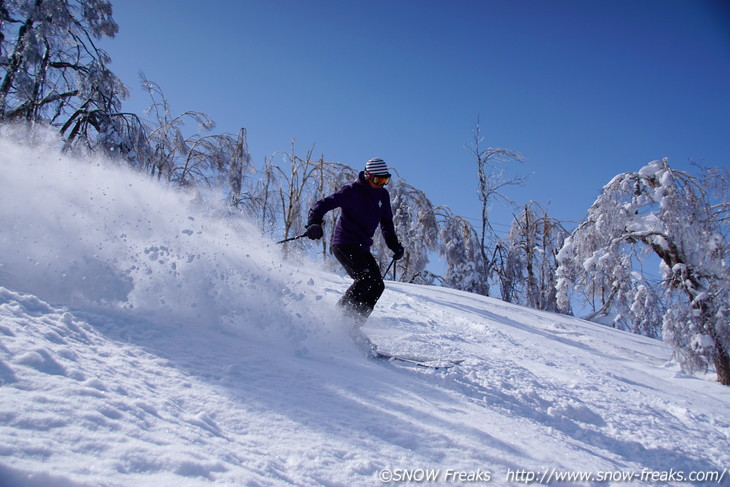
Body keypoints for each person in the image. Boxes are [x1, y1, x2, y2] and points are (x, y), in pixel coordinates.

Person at [305, 157, 404, 323]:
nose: (381, 184)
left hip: (362, 248)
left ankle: (353, 326)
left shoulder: (383, 196)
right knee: (365, 280)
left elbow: (387, 223)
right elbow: (322, 205)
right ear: (367, 176)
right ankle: (336, 321)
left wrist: (394, 245)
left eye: (385, 179)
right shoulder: (352, 191)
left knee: (378, 286)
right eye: (378, 179)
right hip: (344, 244)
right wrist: (314, 222)